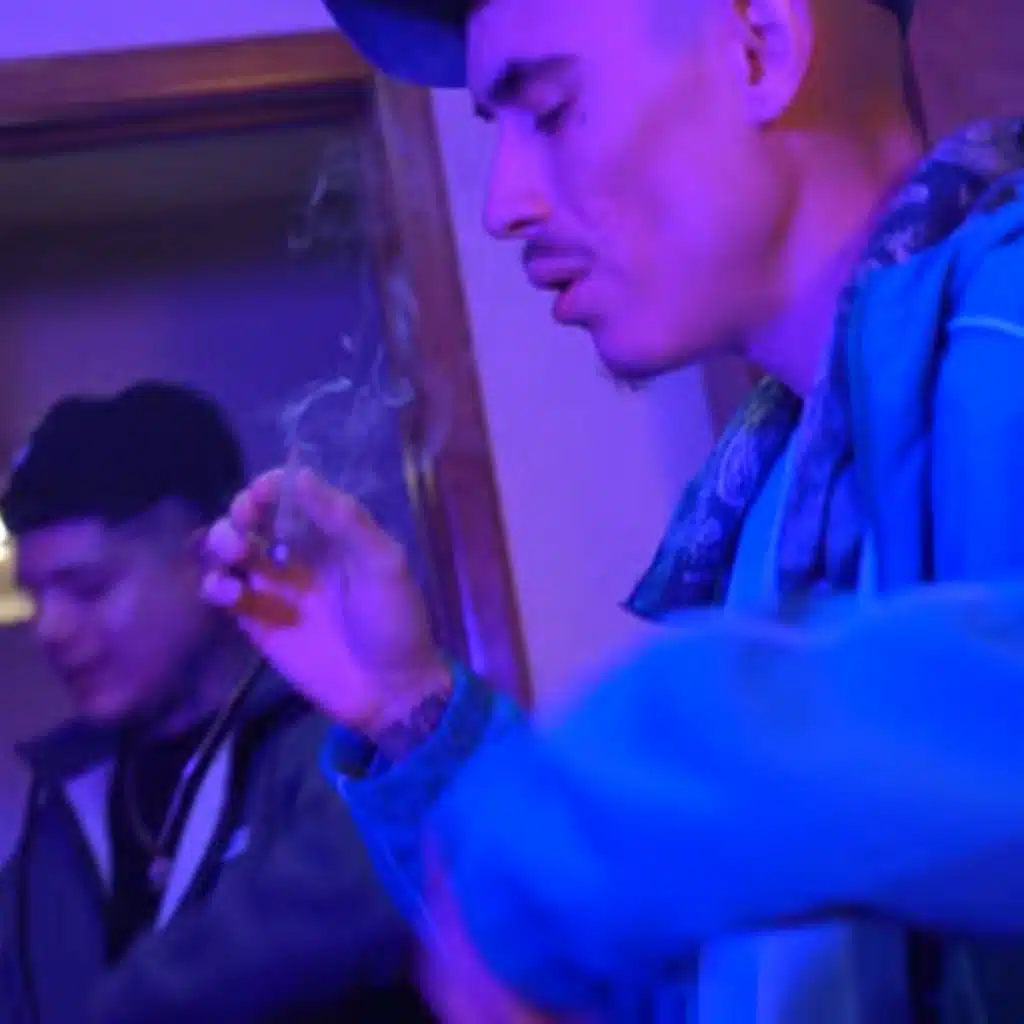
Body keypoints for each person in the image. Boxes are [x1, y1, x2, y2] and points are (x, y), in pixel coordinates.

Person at [200, 0, 1024, 1020]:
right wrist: (406, 703)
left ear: (761, 47)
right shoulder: (769, 502)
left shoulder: (1006, 332)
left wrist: (592, 803)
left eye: (550, 109)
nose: (503, 203)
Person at [0, 381, 435, 1023]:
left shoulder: (341, 738)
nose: (50, 629)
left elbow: (356, 907)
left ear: (207, 559)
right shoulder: (63, 800)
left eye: (88, 588)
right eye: (37, 596)